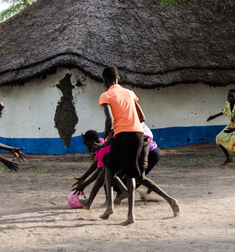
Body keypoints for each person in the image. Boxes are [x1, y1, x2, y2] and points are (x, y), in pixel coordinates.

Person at [94, 66, 179, 224]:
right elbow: (142, 117)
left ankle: (110, 206)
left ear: (105, 81)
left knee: (108, 164)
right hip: (138, 136)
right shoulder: (130, 93)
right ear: (118, 78)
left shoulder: (105, 95)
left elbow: (109, 119)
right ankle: (131, 215)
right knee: (132, 174)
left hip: (123, 135)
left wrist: (106, 134)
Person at [72, 130, 127, 209]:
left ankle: (123, 192)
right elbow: (96, 163)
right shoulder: (100, 143)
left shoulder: (102, 149)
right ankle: (111, 199)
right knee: (107, 178)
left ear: (92, 141)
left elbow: (99, 171)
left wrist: (85, 184)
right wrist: (84, 177)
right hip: (118, 162)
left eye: (87, 145)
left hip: (121, 163)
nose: (87, 148)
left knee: (104, 178)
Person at [207, 89, 235, 166]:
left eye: (232, 96)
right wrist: (214, 116)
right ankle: (229, 158)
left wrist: (234, 129)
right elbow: (224, 111)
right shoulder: (227, 104)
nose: (229, 98)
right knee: (219, 138)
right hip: (232, 125)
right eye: (228, 96)